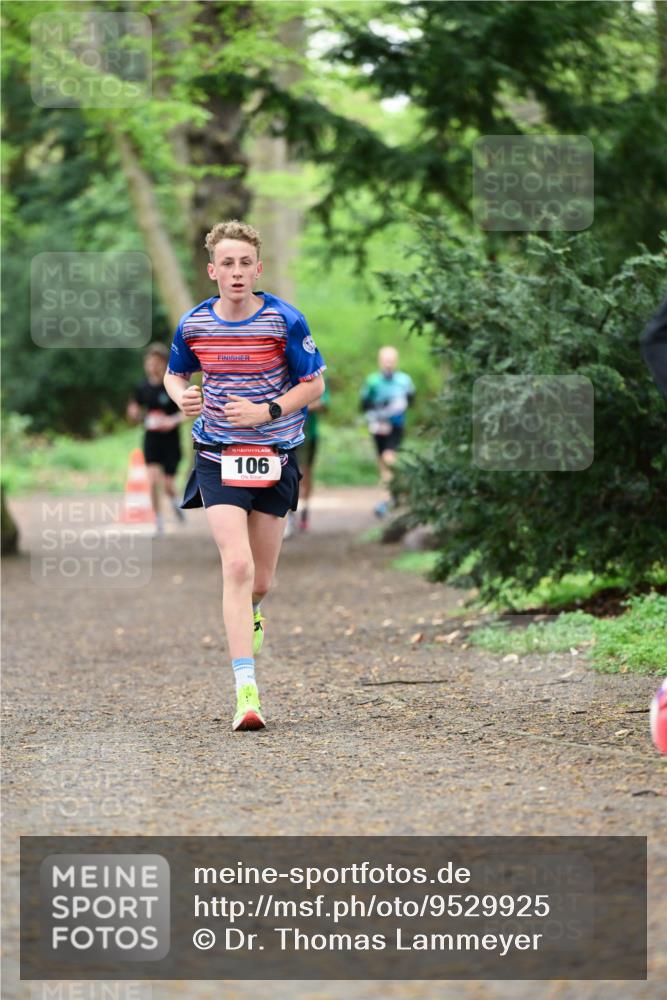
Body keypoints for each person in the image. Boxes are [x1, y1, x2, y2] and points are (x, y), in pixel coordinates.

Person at [163, 219, 326, 732]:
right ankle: (246, 691)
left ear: (259, 268)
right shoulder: (194, 324)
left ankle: (253, 608)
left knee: (260, 579)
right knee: (235, 566)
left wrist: (268, 410)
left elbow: (314, 385)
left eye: (244, 264)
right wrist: (181, 396)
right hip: (217, 454)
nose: (236, 273)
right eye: (226, 264)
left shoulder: (285, 320)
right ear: (213, 270)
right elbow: (175, 373)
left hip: (275, 452)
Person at [127, 342, 186, 534]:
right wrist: (134, 414)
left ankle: (175, 502)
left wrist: (172, 420)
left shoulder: (173, 385)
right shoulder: (141, 387)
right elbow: (134, 410)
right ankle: (158, 519)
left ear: (164, 363)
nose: (152, 366)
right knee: (152, 480)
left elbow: (187, 412)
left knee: (168, 484)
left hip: (170, 440)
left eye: (156, 362)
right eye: (149, 362)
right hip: (151, 439)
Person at [360, 346, 415, 517]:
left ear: (396, 361)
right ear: (380, 361)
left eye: (391, 360)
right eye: (386, 360)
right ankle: (394, 493)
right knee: (383, 465)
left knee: (389, 458)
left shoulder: (405, 381)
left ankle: (386, 501)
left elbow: (411, 400)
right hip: (378, 427)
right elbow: (364, 405)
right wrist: (377, 419)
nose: (389, 363)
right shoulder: (372, 381)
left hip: (396, 427)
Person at [289, 377, 329, 535]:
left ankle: (304, 509)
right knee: (291, 472)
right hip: (289, 435)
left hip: (309, 435)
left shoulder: (314, 374)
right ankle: (290, 513)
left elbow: (323, 402)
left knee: (306, 473)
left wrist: (294, 403)